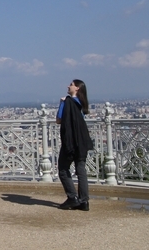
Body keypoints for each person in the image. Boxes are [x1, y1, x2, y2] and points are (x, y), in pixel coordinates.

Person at [56, 79, 93, 211]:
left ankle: (72, 198)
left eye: (71, 84)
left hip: (71, 141)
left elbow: (59, 120)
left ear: (77, 88)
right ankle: (84, 201)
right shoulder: (83, 104)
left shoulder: (68, 102)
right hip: (82, 140)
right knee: (81, 170)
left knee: (63, 169)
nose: (68, 86)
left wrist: (62, 103)